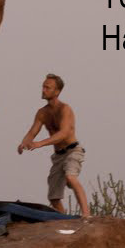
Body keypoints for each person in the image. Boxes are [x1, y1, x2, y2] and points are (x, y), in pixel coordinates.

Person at [17, 73, 90, 217]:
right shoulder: (42, 113)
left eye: (47, 88)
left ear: (57, 91)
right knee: (53, 197)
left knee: (71, 177)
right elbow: (33, 131)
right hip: (58, 156)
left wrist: (40, 144)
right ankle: (63, 220)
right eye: (43, 87)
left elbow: (64, 133)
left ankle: (86, 215)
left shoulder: (65, 109)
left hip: (73, 151)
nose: (43, 90)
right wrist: (24, 143)